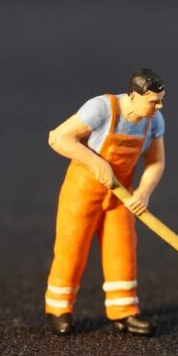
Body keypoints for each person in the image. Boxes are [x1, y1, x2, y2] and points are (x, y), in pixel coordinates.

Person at [44, 68, 166, 337]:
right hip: (82, 192)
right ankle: (59, 309)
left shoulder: (154, 121)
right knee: (72, 248)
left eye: (161, 100)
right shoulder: (102, 109)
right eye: (153, 101)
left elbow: (156, 162)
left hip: (121, 196)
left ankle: (123, 312)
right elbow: (58, 137)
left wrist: (143, 193)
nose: (159, 106)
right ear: (134, 96)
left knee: (122, 250)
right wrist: (94, 161)